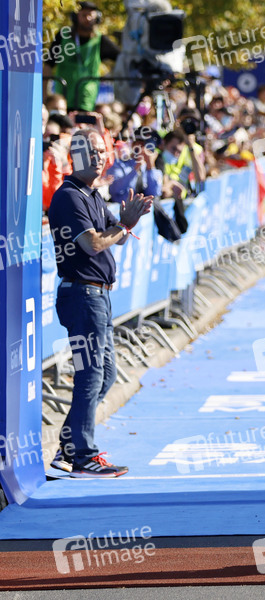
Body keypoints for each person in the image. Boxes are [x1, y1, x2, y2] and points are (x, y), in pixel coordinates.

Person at [47, 129, 153, 477]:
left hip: (98, 296)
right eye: (88, 151)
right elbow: (94, 244)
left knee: (105, 375)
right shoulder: (69, 196)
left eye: (100, 150)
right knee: (90, 374)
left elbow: (116, 236)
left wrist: (126, 222)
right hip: (82, 296)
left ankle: (68, 449)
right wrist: (125, 225)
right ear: (73, 157)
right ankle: (83, 456)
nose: (96, 157)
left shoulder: (91, 194)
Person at [43, 1, 120, 112]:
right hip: (63, 98)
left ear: (97, 18)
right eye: (84, 15)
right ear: (76, 17)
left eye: (91, 15)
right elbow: (48, 65)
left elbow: (122, 58)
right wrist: (44, 94)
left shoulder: (100, 40)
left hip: (87, 100)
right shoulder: (63, 36)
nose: (88, 19)